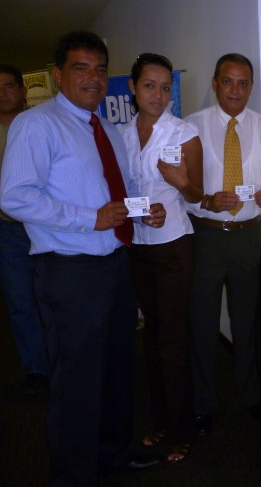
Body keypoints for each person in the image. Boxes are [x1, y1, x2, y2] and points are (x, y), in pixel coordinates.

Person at [0, 31, 166, 486]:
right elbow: (15, 197)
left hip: (115, 266)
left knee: (117, 370)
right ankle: (74, 476)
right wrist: (89, 218)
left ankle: (113, 455)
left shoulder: (106, 129)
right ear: (58, 76)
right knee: (76, 382)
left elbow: (117, 191)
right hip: (68, 271)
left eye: (100, 69)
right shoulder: (36, 125)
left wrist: (143, 210)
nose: (93, 78)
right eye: (81, 68)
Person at [186, 53, 261, 435]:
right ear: (215, 83)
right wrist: (205, 200)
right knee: (201, 322)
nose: (235, 90)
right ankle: (203, 403)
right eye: (228, 81)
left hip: (249, 236)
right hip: (205, 236)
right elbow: (180, 185)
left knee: (247, 321)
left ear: (251, 87)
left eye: (243, 83)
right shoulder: (191, 127)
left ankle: (250, 398)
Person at [119, 53, 203, 462]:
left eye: (165, 87)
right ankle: (161, 421)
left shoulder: (183, 133)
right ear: (133, 87)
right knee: (151, 336)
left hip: (172, 246)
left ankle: (183, 430)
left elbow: (197, 195)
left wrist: (181, 183)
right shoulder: (120, 135)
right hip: (137, 246)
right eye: (149, 86)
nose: (158, 95)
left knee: (172, 339)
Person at [0, 63, 50, 396]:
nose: (2, 93)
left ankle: (63, 364)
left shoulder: (40, 125)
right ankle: (37, 370)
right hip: (8, 231)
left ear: (22, 90)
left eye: (8, 86)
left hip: (45, 226)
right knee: (20, 301)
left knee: (54, 298)